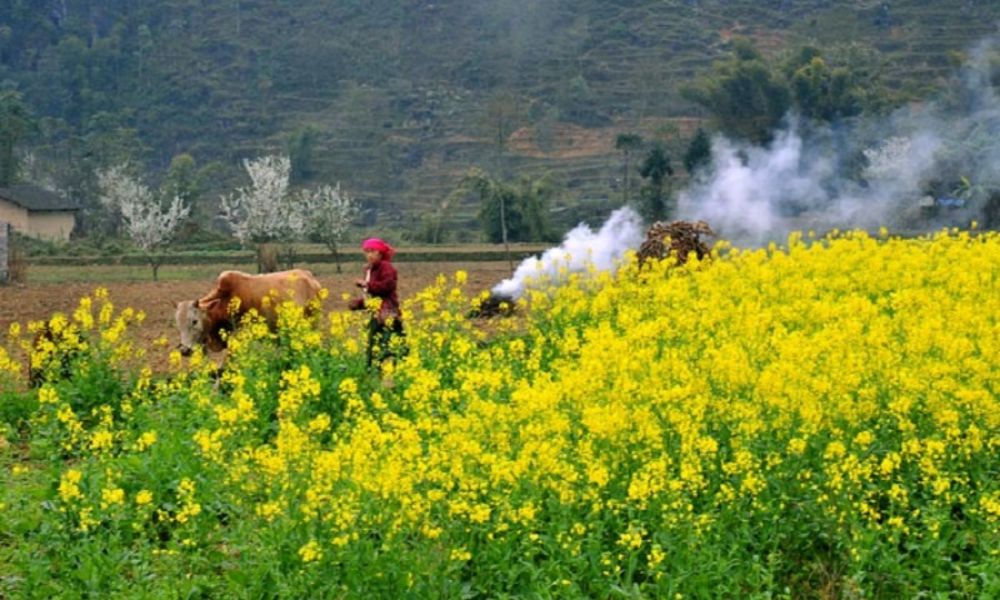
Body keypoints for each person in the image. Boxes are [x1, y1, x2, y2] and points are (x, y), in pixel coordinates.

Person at [348, 238, 405, 368]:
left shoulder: (386, 267)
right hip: (377, 313)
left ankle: (393, 372)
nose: (369, 255)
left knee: (389, 346)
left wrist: (366, 285)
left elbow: (387, 286)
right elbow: (373, 296)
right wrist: (359, 304)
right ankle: (374, 373)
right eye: (367, 252)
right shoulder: (369, 270)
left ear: (380, 253)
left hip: (388, 312)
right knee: (374, 347)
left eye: (372, 251)